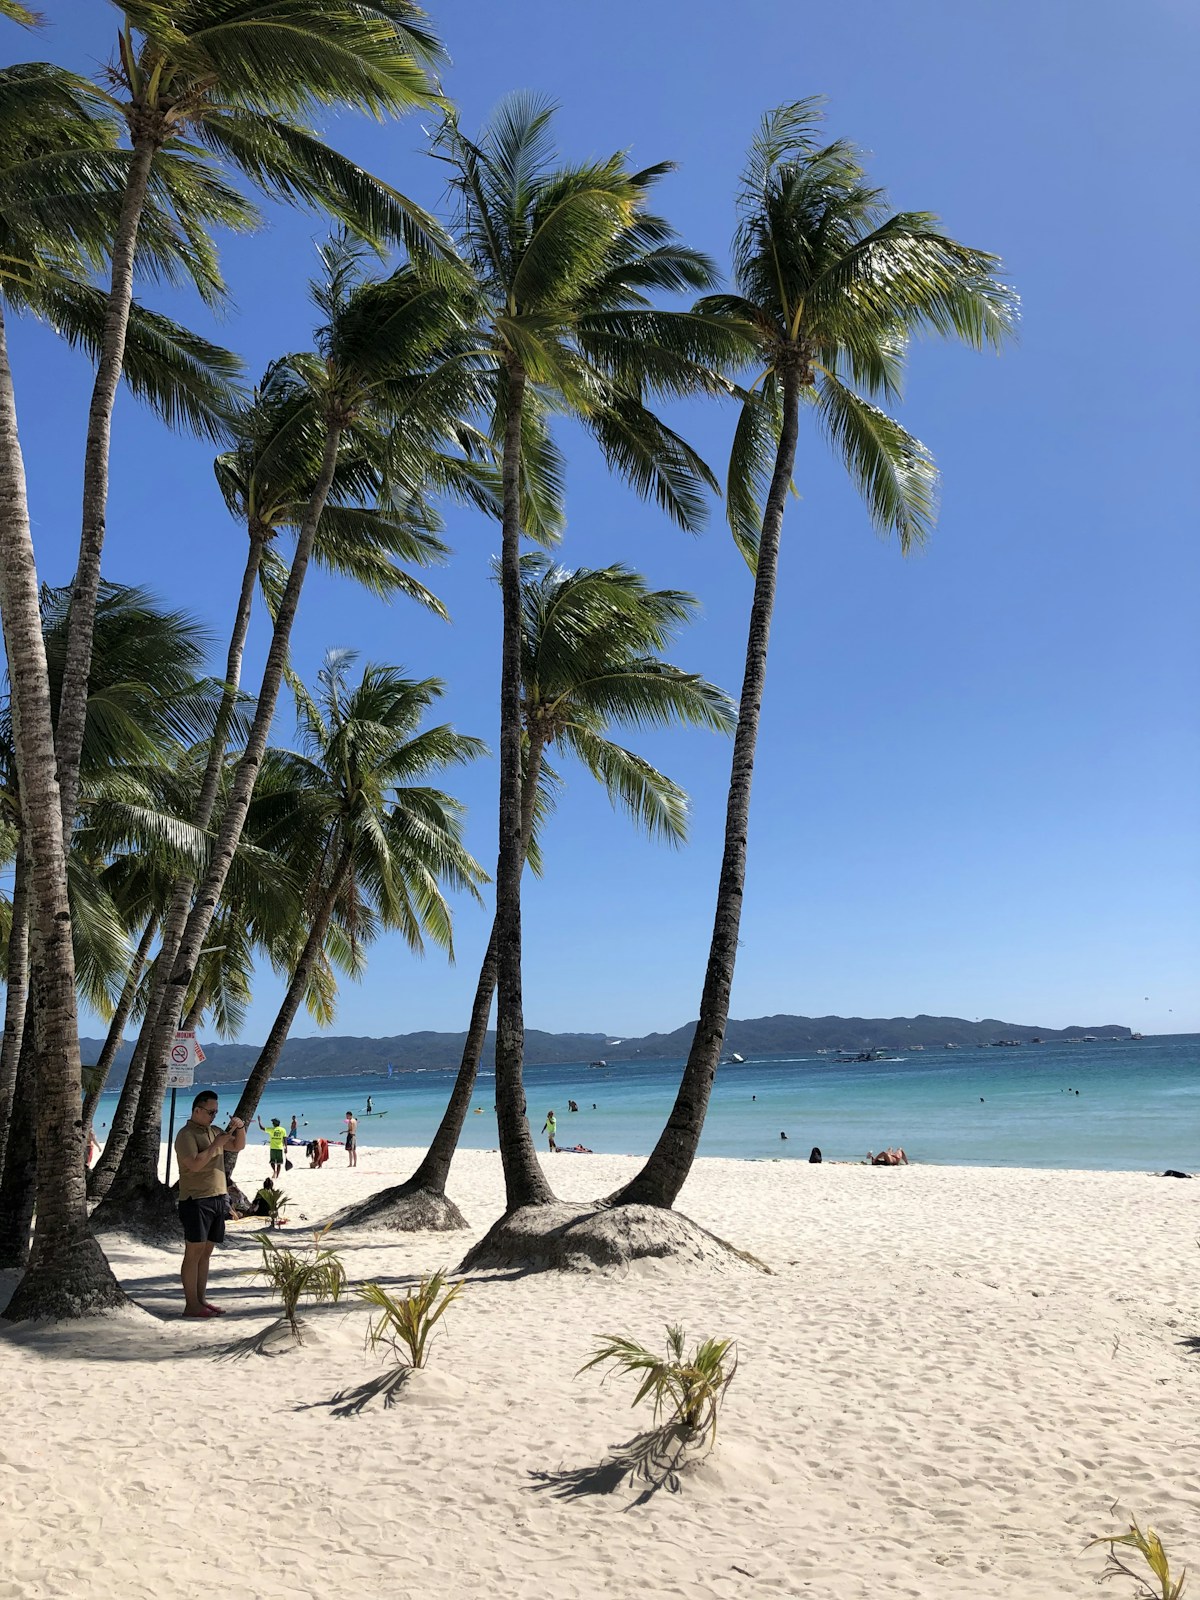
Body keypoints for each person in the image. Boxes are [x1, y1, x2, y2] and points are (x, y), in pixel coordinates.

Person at [174, 1091, 246, 1318]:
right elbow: (194, 1164)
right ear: (197, 1110)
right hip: (196, 1199)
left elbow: (237, 1146)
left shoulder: (213, 1131)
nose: (214, 1116)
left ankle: (200, 1300)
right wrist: (216, 1144)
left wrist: (240, 1127)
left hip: (218, 1197)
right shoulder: (186, 1135)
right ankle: (191, 1304)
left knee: (206, 1252)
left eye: (216, 1111)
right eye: (210, 1112)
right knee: (193, 1252)